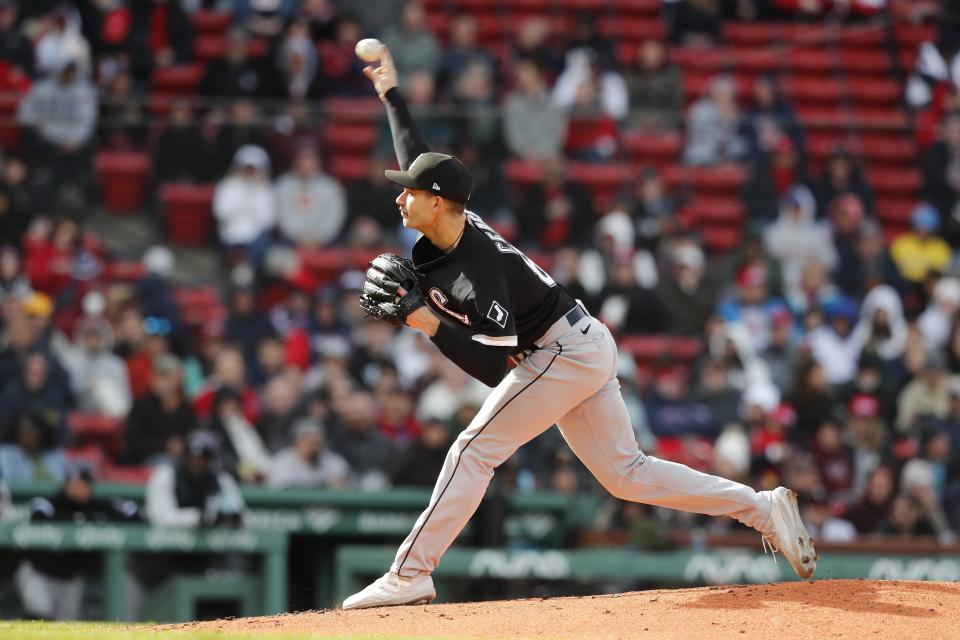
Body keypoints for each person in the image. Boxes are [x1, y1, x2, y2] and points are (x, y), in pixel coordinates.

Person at [342, 46, 817, 610]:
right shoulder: (449, 221)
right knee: (626, 474)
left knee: (473, 450)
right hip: (577, 343)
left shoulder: (477, 266)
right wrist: (392, 93)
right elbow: (420, 158)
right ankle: (761, 508)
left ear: (440, 204)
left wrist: (423, 322)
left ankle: (409, 574)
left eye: (411, 192)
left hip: (562, 350)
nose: (400, 195)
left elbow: (495, 367)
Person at [15, 464, 139, 620]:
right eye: (72, 483)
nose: (76, 488)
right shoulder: (50, 504)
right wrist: (78, 521)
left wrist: (97, 521)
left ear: (89, 487)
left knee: (66, 625)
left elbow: (132, 512)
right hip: (39, 571)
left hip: (70, 576)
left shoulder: (97, 506)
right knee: (39, 610)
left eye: (81, 484)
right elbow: (38, 516)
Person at [145, 431, 245, 528]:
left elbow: (240, 515)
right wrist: (197, 517)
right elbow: (159, 517)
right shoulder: (166, 474)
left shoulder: (221, 478)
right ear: (185, 455)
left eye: (203, 458)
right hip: (167, 541)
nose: (197, 463)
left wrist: (223, 518)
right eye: (193, 457)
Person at [274, 145, 346, 247]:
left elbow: (334, 217)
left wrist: (319, 237)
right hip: (290, 241)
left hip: (325, 242)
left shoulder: (331, 187)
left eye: (310, 158)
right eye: (303, 158)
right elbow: (282, 218)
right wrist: (300, 237)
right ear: (295, 160)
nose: (306, 163)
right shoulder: (283, 185)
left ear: (318, 161)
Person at [267, 417, 349, 488]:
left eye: (317, 442)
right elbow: (278, 490)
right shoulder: (282, 461)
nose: (313, 446)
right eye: (308, 441)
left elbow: (348, 486)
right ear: (296, 442)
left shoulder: (333, 462)